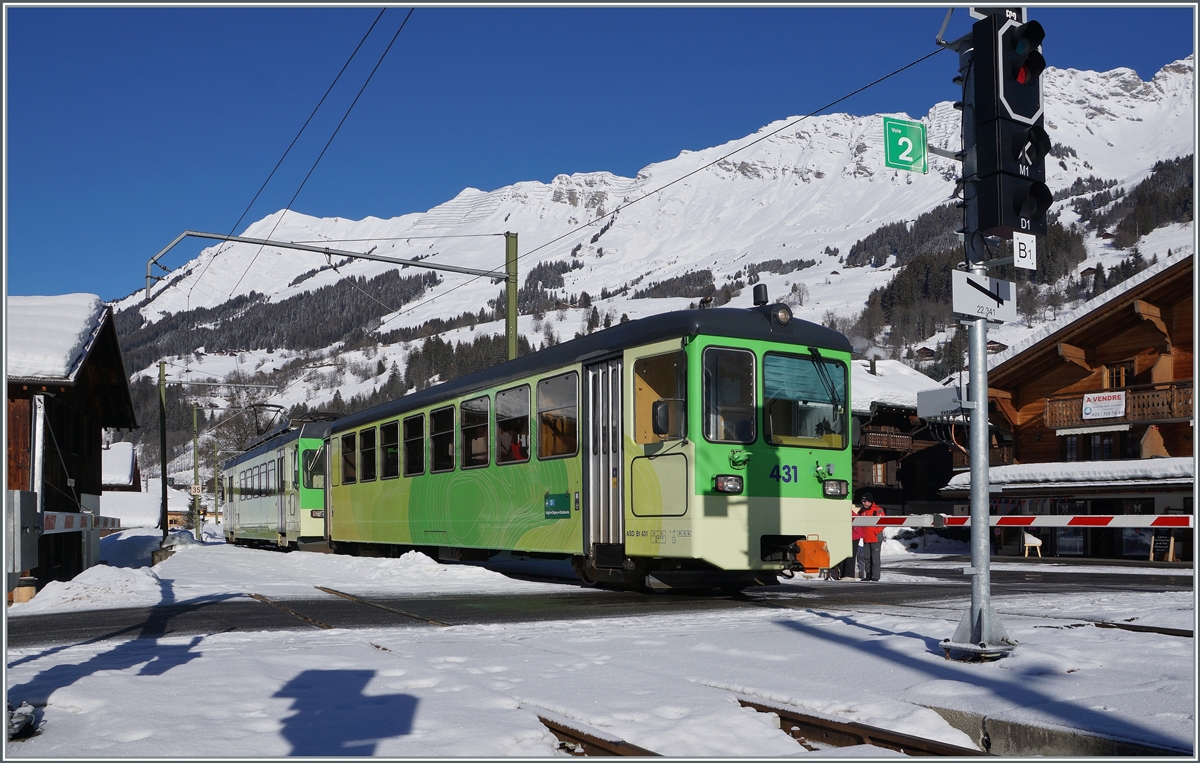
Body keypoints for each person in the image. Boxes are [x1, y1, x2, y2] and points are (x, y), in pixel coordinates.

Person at [833, 500, 864, 580]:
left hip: (854, 536)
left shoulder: (847, 512)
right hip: (845, 536)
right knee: (842, 555)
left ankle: (849, 575)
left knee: (850, 556)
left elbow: (855, 525)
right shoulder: (839, 513)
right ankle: (843, 574)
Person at [857, 492, 885, 581]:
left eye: (865, 501)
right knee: (867, 558)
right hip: (866, 538)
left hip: (875, 538)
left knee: (875, 558)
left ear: (870, 501)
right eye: (862, 501)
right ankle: (868, 575)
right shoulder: (861, 511)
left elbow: (883, 522)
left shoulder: (878, 510)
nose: (863, 503)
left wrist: (875, 532)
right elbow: (857, 521)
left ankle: (875, 576)